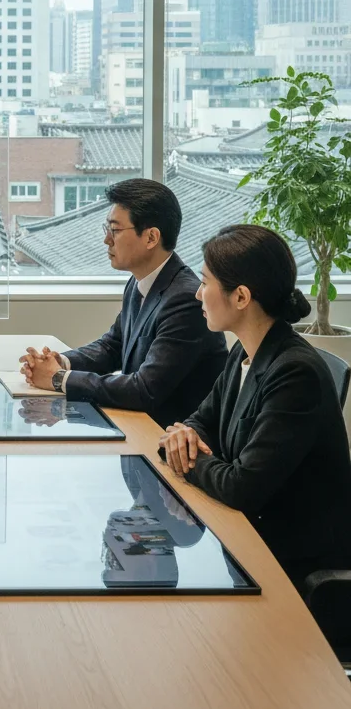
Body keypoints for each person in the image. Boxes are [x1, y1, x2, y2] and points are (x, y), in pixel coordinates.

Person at [159, 224, 351, 588]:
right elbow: (200, 421)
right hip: (248, 539)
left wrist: (187, 457)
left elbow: (241, 487)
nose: (198, 294)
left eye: (205, 282)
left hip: (291, 564)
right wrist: (181, 436)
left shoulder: (295, 373)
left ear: (241, 297)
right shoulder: (243, 352)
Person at [19, 178, 227, 428]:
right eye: (106, 229)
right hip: (137, 429)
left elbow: (144, 389)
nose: (107, 240)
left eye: (115, 230)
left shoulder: (186, 300)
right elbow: (113, 346)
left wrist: (58, 379)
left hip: (172, 443)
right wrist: (60, 361)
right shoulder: (139, 282)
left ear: (151, 237)